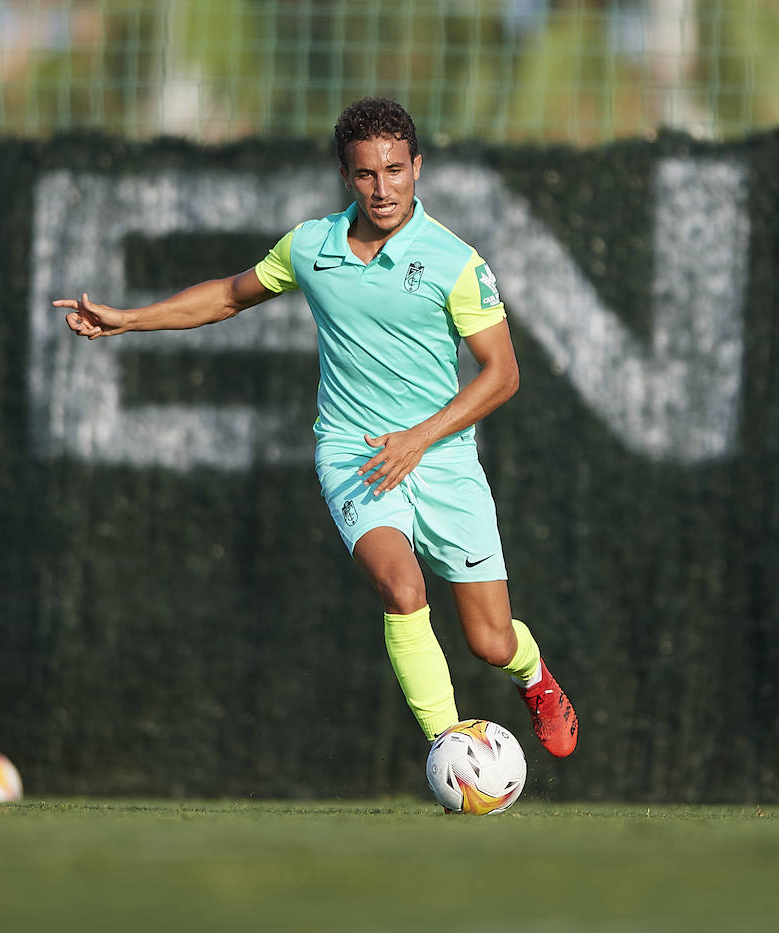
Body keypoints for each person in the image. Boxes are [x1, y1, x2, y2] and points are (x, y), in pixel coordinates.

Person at [55, 98, 578, 759]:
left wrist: (419, 438)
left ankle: (533, 676)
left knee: (491, 641)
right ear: (345, 175)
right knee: (402, 586)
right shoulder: (310, 246)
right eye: (366, 174)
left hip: (440, 458)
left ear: (418, 167)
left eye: (395, 169)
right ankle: (451, 750)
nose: (382, 187)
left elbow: (502, 374)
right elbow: (227, 296)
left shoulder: (455, 262)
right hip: (353, 454)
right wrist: (127, 319)